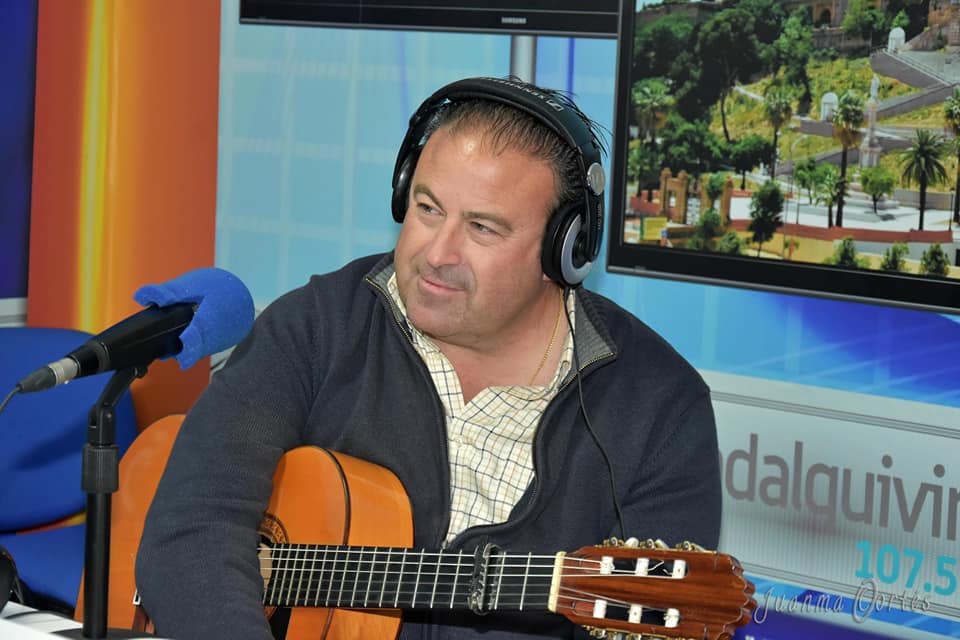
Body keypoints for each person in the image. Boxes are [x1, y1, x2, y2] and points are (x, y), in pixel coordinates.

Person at [135, 76, 722, 639]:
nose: (437, 252)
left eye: (483, 228)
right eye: (427, 208)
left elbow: (660, 617)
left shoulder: (659, 409)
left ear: (563, 252)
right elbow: (194, 525)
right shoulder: (319, 324)